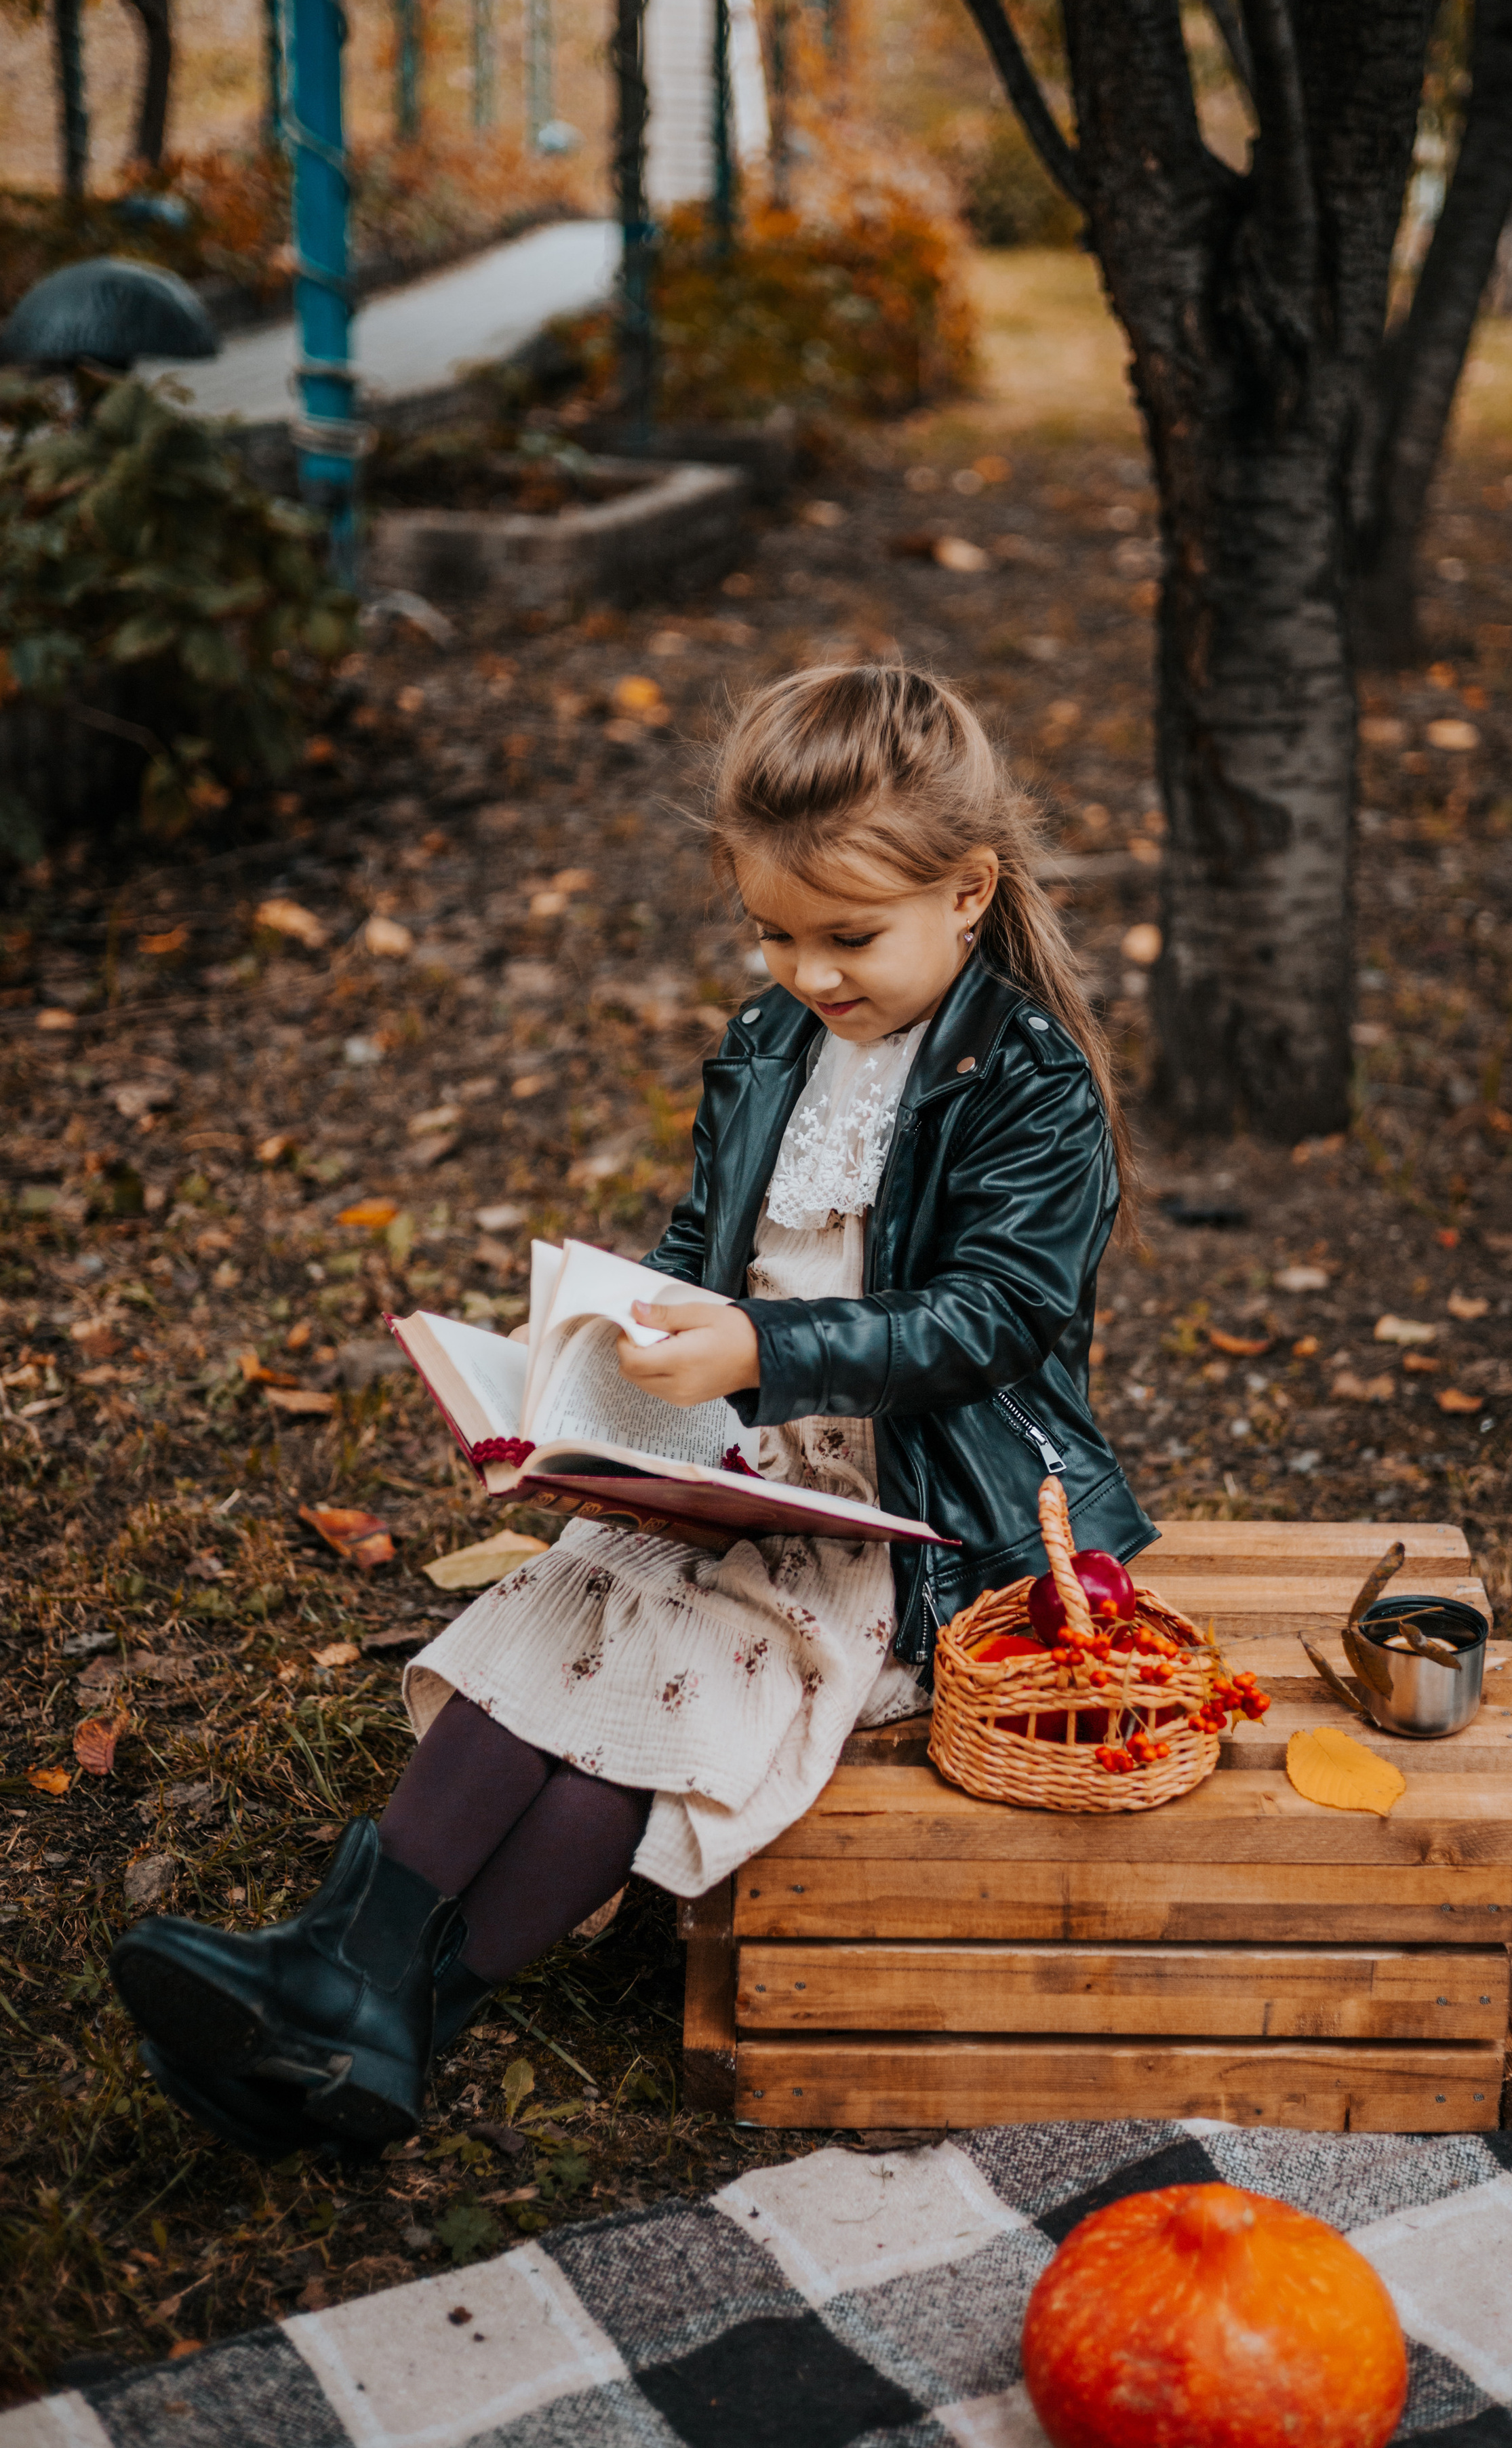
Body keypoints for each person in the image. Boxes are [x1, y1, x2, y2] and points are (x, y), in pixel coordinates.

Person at [109, 663, 1153, 2158]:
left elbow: (992, 1321)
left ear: (970, 890)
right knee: (566, 1595)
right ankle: (347, 1986)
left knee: (661, 1675)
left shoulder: (1026, 1087)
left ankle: (395, 2007)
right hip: (737, 1457)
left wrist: (753, 1348)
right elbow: (701, 1243)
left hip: (911, 1516)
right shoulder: (774, 1043)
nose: (810, 974)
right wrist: (599, 1351)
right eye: (774, 935)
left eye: (849, 936)